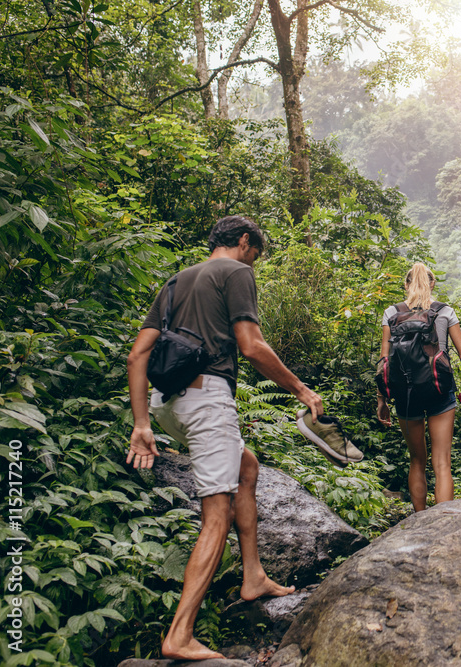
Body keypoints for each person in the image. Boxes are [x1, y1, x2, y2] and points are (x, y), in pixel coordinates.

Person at [125, 215, 323, 661]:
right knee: (216, 512)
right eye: (257, 253)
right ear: (245, 242)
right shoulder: (236, 272)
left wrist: (142, 424)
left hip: (166, 403)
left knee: (245, 466)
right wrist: (301, 389)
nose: (255, 262)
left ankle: (252, 576)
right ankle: (180, 634)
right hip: (207, 398)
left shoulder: (177, 281)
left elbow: (139, 353)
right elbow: (251, 345)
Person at [376, 263, 461, 512]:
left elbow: (384, 360)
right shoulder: (445, 312)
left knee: (416, 460)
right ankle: (442, 523)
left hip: (405, 394)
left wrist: (381, 399)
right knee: (442, 463)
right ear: (432, 284)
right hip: (439, 390)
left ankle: (419, 523)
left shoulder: (391, 313)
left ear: (405, 285)